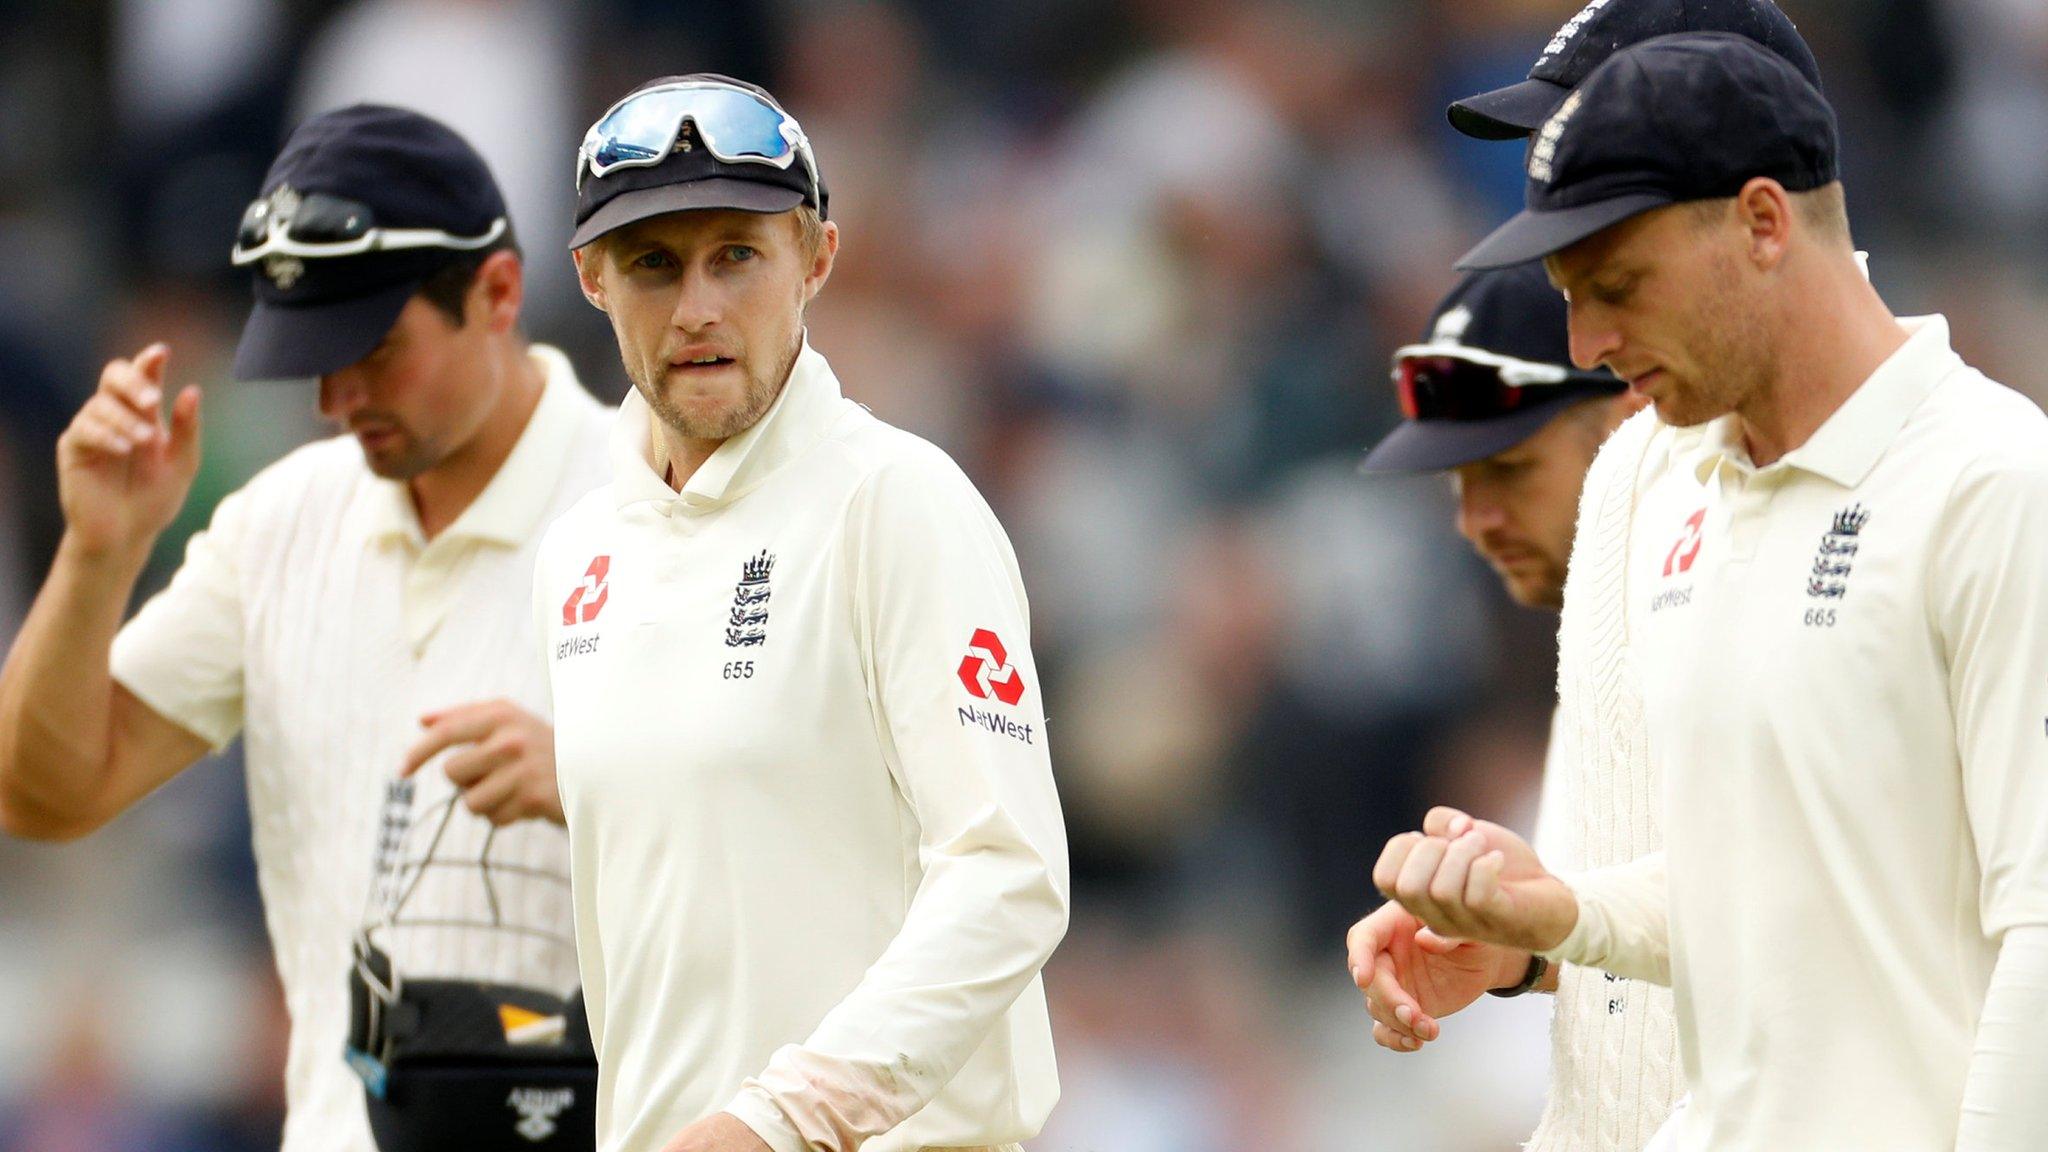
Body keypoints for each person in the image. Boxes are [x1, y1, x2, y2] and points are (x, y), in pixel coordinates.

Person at [1373, 33, 2048, 1149]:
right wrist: (1561, 922)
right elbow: (1769, 886)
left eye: (1618, 288)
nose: (1587, 341)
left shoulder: (1991, 480)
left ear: (1761, 222)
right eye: (1567, 299)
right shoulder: (1678, 489)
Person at [0, 105, 611, 1151]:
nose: (337, 398)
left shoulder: (661, 502)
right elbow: (43, 791)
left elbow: (801, 862)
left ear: (499, 293)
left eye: (373, 349)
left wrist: (601, 785)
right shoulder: (278, 525)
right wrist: (97, 554)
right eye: (310, 356)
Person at [540, 74, 1068, 1152]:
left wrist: (779, 1123)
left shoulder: (896, 502)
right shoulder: (580, 555)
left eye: (736, 254)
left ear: (815, 259)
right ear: (591, 279)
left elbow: (1008, 876)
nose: (696, 308)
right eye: (653, 263)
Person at [1349, 262, 1670, 1143]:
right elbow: (1665, 954)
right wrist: (1523, 960)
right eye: (1459, 483)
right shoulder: (1595, 665)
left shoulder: (1746, 630)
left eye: (1511, 470)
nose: (1474, 519)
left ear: (1631, 422)